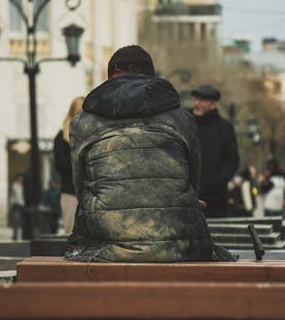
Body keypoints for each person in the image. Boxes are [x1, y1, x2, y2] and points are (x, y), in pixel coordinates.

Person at [65, 45, 230, 262]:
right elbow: (192, 182)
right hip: (178, 248)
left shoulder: (82, 122)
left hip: (106, 248)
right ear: (151, 76)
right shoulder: (182, 119)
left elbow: (80, 186)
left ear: (111, 75)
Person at [191, 84, 239, 218]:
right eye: (195, 99)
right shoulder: (185, 122)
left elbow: (233, 160)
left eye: (202, 100)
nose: (197, 103)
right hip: (186, 196)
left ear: (213, 104)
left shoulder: (225, 128)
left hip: (215, 198)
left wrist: (217, 180)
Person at [53, 96, 84, 235]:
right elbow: (60, 165)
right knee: (71, 232)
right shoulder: (62, 137)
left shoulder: (91, 134)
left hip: (92, 193)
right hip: (71, 192)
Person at [9, 173, 25, 241]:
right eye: (19, 178)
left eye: (21, 178)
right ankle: (15, 235)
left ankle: (18, 235)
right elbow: (14, 196)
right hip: (16, 205)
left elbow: (21, 196)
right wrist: (11, 205)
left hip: (21, 205)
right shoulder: (15, 186)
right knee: (16, 220)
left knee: (19, 221)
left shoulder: (22, 186)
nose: (21, 179)